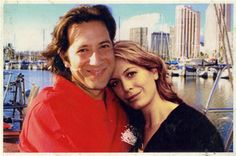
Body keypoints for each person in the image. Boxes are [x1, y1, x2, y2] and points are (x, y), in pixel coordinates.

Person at [19, 5, 130, 152]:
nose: (96, 61)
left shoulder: (120, 97)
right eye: (83, 50)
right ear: (65, 58)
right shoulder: (48, 111)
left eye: (103, 46)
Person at [108, 40, 224, 152]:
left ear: (154, 72)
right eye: (115, 83)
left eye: (131, 74)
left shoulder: (195, 129)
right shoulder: (131, 122)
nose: (126, 87)